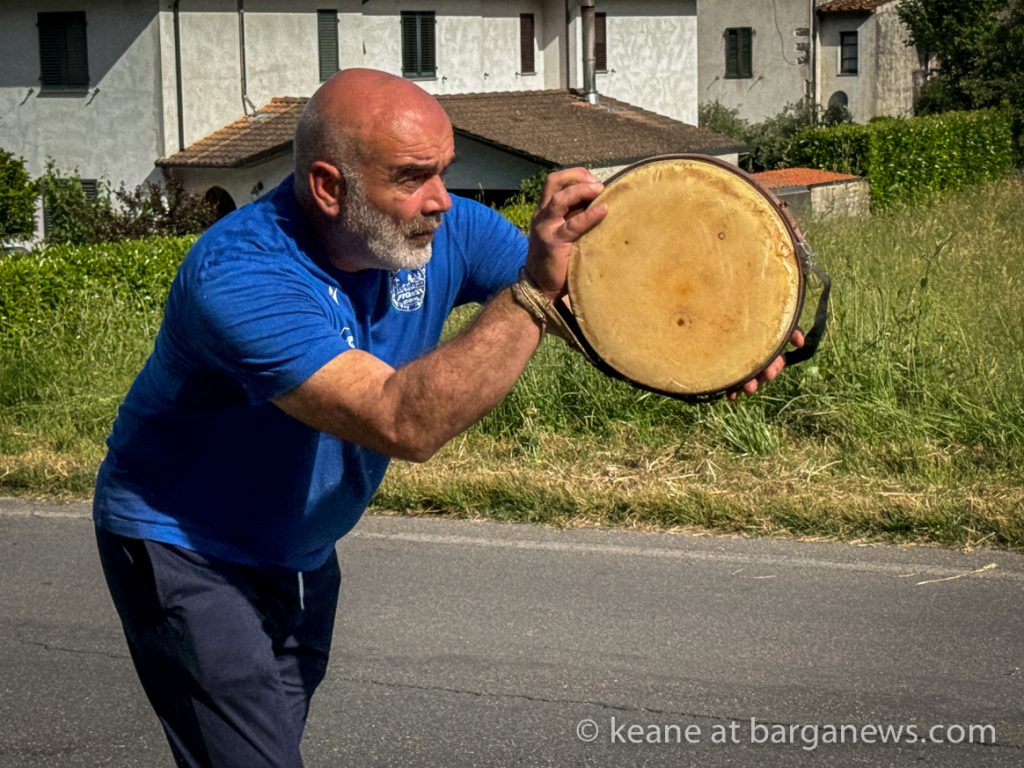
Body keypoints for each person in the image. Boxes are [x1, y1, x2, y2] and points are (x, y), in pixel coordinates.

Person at [93, 68, 798, 767]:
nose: (441, 202)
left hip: (301, 552)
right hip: (188, 548)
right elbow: (401, 421)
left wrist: (727, 342)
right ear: (329, 187)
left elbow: (597, 305)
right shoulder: (243, 277)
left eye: (444, 172)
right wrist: (529, 295)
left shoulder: (442, 232)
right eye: (411, 178)